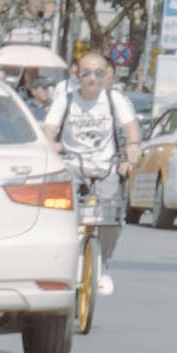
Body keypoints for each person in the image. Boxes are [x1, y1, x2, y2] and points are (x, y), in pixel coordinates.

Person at [42, 49, 137, 274]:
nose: (92, 78)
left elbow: (131, 127)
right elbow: (49, 128)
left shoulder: (114, 100)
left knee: (110, 217)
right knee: (59, 214)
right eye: (86, 73)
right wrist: (50, 143)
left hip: (105, 167)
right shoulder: (66, 100)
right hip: (71, 166)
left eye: (98, 73)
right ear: (78, 75)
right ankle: (59, 261)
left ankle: (101, 264)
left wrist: (133, 147)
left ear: (106, 76)